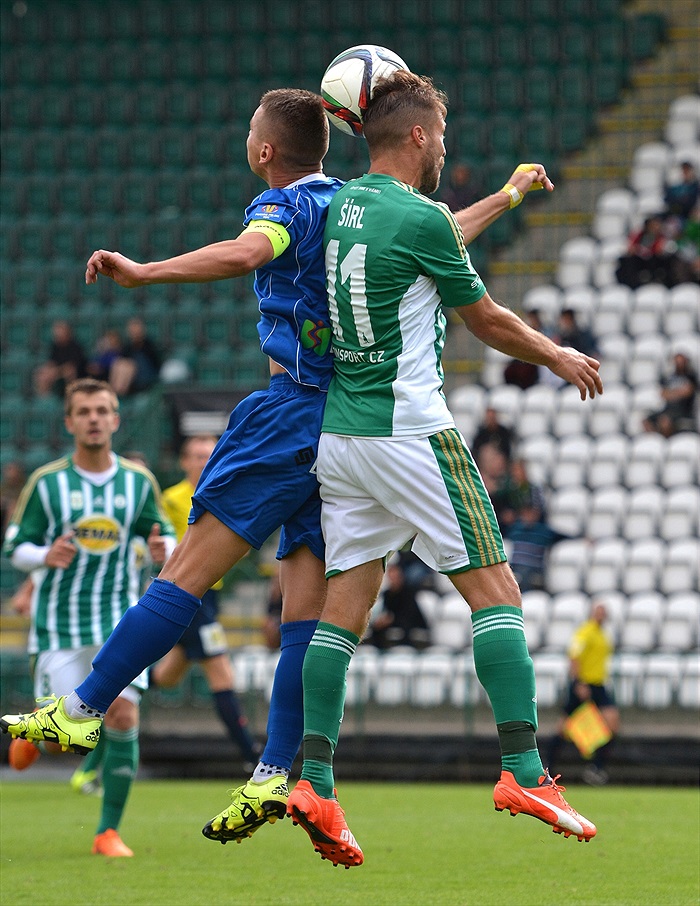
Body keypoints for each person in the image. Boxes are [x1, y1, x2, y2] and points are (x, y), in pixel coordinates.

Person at [0, 85, 556, 849]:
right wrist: (508, 195)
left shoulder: (289, 207)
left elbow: (244, 254)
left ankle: (85, 707)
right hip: (344, 424)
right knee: (307, 609)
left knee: (187, 573)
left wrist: (144, 271)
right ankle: (273, 772)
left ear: (265, 151)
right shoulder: (354, 205)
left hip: (290, 411)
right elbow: (441, 235)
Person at [284, 71, 601, 867]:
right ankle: (524, 770)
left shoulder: (347, 205)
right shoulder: (417, 215)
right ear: (420, 137)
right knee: (496, 591)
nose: (443, 150)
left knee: (344, 609)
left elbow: (431, 234)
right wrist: (557, 353)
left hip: (343, 441)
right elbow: (485, 317)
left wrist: (505, 196)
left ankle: (314, 778)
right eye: (442, 138)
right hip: (410, 430)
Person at [1, 377, 175, 857]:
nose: (94, 419)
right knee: (64, 738)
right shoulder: (47, 483)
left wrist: (166, 547)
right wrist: (44, 555)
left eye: (103, 410)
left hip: (120, 621)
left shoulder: (138, 483)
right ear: (70, 422)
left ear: (116, 419)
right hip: (60, 624)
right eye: (85, 411)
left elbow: (167, 538)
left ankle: (108, 832)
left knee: (122, 712)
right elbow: (16, 548)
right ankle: (41, 733)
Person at [152, 434, 259, 767]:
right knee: (221, 672)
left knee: (168, 676)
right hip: (185, 591)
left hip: (209, 595)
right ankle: (250, 757)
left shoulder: (221, 493)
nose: (203, 462)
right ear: (184, 462)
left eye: (208, 455)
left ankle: (123, 693)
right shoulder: (170, 499)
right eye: (197, 456)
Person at [546, 601, 620, 786]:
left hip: (599, 684)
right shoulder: (584, 632)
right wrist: (578, 682)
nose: (601, 615)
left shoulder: (603, 634)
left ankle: (596, 768)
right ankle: (547, 767)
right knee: (563, 729)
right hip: (584, 684)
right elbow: (574, 656)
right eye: (598, 611)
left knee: (612, 724)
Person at [363, 559, 430, 650]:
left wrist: (391, 619)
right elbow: (386, 611)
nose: (393, 577)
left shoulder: (409, 593)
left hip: (410, 624)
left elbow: (410, 615)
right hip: (395, 623)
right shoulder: (387, 594)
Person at [643, 349, 698, 437]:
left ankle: (667, 442)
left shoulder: (690, 376)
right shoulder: (669, 377)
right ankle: (656, 439)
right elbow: (663, 394)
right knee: (646, 421)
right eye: (677, 362)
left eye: (681, 362)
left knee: (664, 421)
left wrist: (671, 393)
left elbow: (687, 392)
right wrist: (678, 393)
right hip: (668, 409)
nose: (679, 364)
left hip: (683, 410)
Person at [109, 317, 162, 396]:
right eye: (132, 330)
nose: (134, 332)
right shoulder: (128, 346)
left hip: (146, 374)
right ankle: (114, 391)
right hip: (129, 377)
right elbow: (122, 358)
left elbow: (155, 363)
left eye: (136, 329)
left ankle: (119, 393)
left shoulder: (148, 345)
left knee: (130, 365)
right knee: (119, 363)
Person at [33, 320, 88, 398]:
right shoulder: (55, 346)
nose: (57, 335)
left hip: (75, 372)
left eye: (59, 332)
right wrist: (49, 369)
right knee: (42, 373)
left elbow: (72, 365)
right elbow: (51, 362)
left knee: (69, 372)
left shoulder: (75, 346)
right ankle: (44, 399)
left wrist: (57, 370)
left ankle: (71, 397)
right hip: (58, 370)